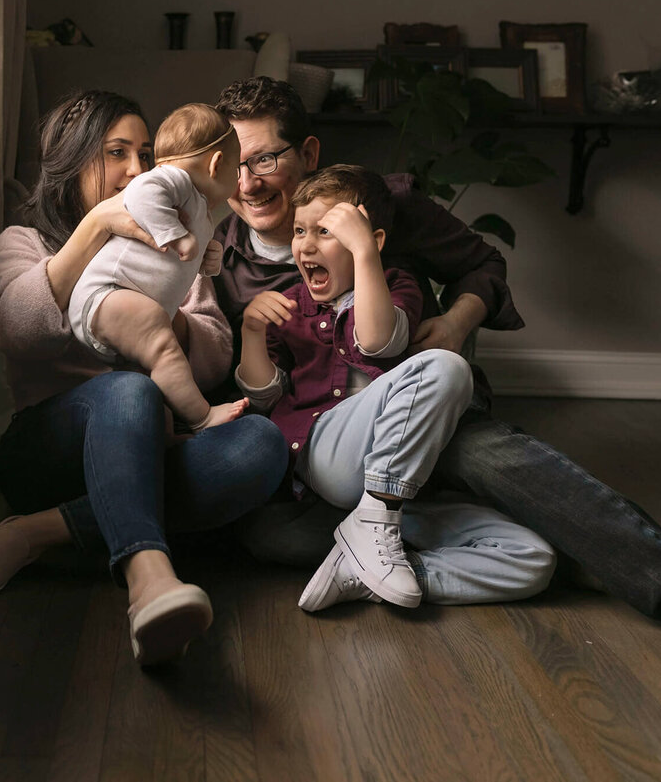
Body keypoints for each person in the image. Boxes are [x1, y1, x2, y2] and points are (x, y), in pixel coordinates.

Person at [213, 75, 661, 620]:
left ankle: (640, 567)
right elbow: (243, 379)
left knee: (482, 454)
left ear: (307, 153)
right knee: (269, 533)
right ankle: (407, 549)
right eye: (233, 164)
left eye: (263, 160)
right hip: (325, 445)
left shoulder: (384, 205)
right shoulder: (221, 257)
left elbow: (483, 266)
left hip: (425, 406)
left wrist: (454, 325)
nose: (248, 183)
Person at [0, 90, 289, 665]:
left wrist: (156, 310)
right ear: (74, 162)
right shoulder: (24, 242)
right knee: (129, 389)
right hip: (48, 454)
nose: (137, 169)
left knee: (261, 445)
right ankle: (148, 576)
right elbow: (15, 330)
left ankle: (36, 535)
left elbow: (211, 358)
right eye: (116, 152)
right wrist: (96, 231)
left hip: (153, 450)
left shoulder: (176, 239)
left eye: (146, 154)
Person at [237, 165, 553, 610]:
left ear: (374, 241)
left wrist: (366, 253)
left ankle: (372, 567)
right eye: (300, 231)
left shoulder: (396, 284)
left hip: (400, 495)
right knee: (446, 367)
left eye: (326, 232)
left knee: (534, 558)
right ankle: (372, 527)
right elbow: (265, 395)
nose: (306, 244)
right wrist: (252, 331)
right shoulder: (290, 304)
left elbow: (378, 341)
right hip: (327, 455)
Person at [70, 102, 248, 432]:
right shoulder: (172, 179)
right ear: (217, 164)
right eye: (237, 170)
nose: (240, 182)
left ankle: (166, 434)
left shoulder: (199, 210)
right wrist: (177, 238)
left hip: (126, 310)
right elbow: (141, 195)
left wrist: (205, 261)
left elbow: (177, 266)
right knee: (161, 345)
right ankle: (201, 416)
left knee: (150, 390)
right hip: (106, 296)